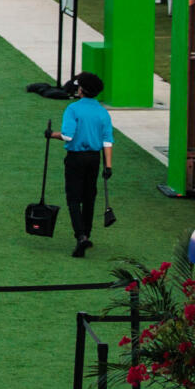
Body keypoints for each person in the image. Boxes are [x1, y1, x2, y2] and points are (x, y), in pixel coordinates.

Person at [48, 71, 114, 258]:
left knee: (74, 198)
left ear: (81, 90)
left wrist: (51, 134)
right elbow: (107, 141)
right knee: (89, 197)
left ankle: (81, 236)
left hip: (76, 158)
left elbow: (67, 136)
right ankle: (87, 233)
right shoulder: (102, 112)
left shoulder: (73, 109)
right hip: (94, 159)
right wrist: (108, 166)